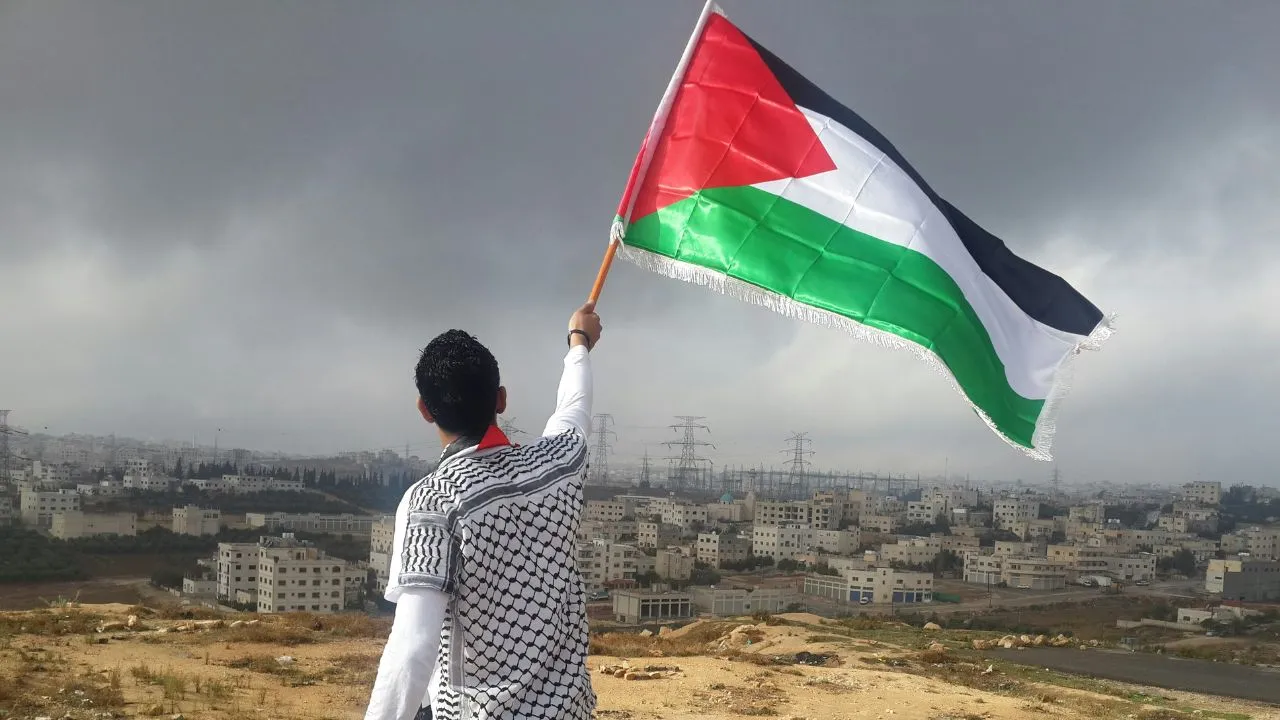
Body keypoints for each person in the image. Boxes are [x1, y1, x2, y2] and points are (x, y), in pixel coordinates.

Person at [363, 302, 603, 720]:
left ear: (424, 409)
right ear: (501, 399)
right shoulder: (558, 465)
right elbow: (574, 409)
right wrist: (578, 342)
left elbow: (411, 651)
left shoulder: (434, 500)